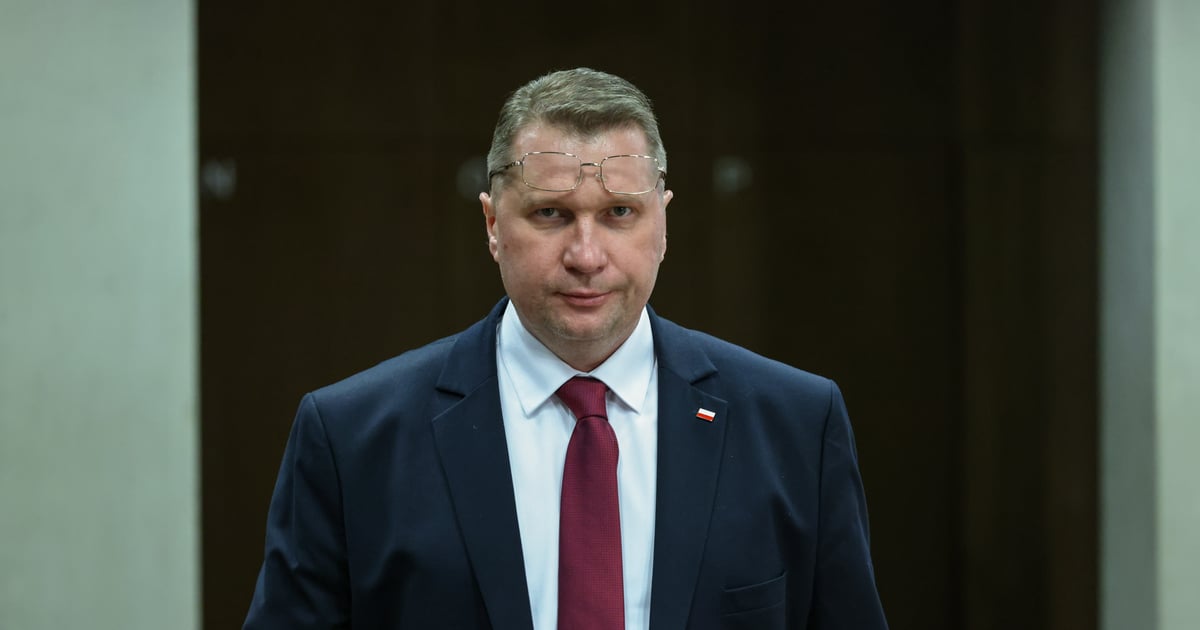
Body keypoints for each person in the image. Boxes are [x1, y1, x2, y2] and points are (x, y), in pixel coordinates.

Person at [244, 67, 888, 630]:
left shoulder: (796, 425)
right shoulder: (352, 438)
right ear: (493, 225)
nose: (586, 256)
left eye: (619, 213)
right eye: (551, 214)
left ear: (663, 222)